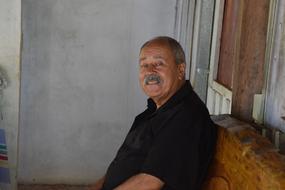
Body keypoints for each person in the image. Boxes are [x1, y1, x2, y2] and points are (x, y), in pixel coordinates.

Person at [90, 36, 217, 190]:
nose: (150, 71)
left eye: (159, 64)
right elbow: (122, 162)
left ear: (180, 70)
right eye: (144, 65)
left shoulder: (186, 116)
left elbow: (149, 183)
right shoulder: (155, 110)